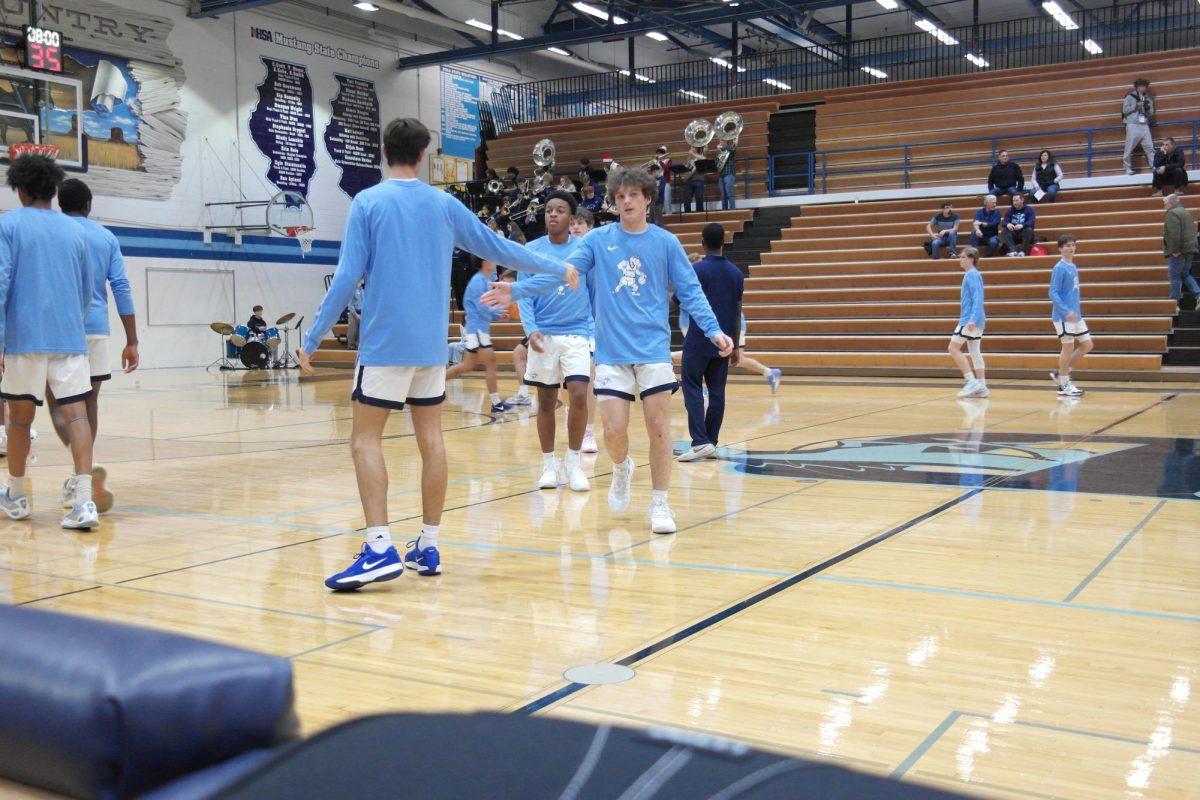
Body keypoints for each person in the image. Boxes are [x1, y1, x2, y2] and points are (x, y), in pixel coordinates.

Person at [296, 117, 576, 590]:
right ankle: (427, 543)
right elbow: (502, 247)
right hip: (430, 346)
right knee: (431, 440)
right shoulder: (444, 204)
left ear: (384, 150)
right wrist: (557, 265)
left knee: (365, 441)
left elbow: (347, 277)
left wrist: (311, 337)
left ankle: (380, 547)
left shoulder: (368, 202)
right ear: (424, 156)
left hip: (385, 345)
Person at [485, 167, 733, 535]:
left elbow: (691, 291)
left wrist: (713, 330)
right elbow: (562, 272)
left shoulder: (665, 243)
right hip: (612, 352)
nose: (626, 201)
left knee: (658, 426)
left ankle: (660, 503)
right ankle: (621, 468)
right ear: (613, 202)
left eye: (633, 195)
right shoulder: (598, 240)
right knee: (614, 432)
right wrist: (516, 292)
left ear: (648, 198)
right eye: (619, 197)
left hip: (652, 350)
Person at [0, 153, 99, 529]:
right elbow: (87, 290)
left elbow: (0, 284)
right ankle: (84, 503)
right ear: (54, 190)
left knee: (20, 422)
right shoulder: (77, 230)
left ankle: (17, 494)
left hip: (24, 339)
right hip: (69, 337)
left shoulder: (7, 225)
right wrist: (72, 323)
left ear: (21, 190)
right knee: (77, 415)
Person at [44, 178, 139, 515]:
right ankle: (81, 473)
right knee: (88, 402)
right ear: (88, 206)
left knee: (59, 404)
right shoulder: (105, 236)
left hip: (59, 327)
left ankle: (84, 468)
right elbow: (121, 287)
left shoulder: (52, 231)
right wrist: (132, 339)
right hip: (98, 328)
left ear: (59, 204)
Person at [514, 190, 593, 492]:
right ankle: (549, 465)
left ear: (571, 219)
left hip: (577, 332)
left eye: (560, 210)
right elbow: (523, 293)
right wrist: (530, 329)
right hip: (543, 334)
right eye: (549, 210)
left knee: (579, 394)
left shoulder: (585, 250)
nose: (553, 215)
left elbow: (594, 290)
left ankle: (573, 464)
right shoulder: (531, 251)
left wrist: (594, 329)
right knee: (546, 401)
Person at [677, 223, 743, 462]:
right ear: (723, 243)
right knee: (717, 393)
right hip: (724, 343)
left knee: (692, 387)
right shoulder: (736, 273)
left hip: (697, 340)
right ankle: (711, 441)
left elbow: (677, 299)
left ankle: (700, 441)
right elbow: (737, 311)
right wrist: (735, 345)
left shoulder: (697, 270)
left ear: (702, 243)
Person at [447, 256, 510, 412]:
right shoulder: (477, 282)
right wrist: (498, 310)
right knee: (491, 363)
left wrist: (497, 315)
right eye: (492, 259)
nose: (495, 262)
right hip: (476, 330)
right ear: (485, 262)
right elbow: (481, 308)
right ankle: (496, 404)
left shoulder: (484, 280)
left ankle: (431, 386)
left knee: (466, 366)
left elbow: (484, 307)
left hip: (478, 329)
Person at [568, 207, 600, 453]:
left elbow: (595, 294)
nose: (576, 227)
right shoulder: (563, 253)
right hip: (560, 325)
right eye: (573, 223)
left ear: (590, 226)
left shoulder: (594, 254)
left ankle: (588, 430)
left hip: (588, 326)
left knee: (588, 379)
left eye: (581, 223)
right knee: (570, 383)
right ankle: (576, 412)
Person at [1048, 234, 1093, 397]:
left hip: (1076, 315)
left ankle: (1061, 373)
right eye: (1067, 245)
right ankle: (1064, 385)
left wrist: (1075, 312)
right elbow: (1052, 292)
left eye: (1073, 245)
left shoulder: (1073, 267)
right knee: (1068, 347)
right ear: (1060, 249)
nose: (1071, 248)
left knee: (1087, 345)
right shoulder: (1059, 268)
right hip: (1063, 316)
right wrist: (1066, 311)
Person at [947, 246, 987, 399]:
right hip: (976, 320)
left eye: (963, 257)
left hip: (969, 319)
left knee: (953, 348)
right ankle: (982, 386)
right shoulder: (972, 275)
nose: (960, 259)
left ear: (971, 258)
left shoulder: (972, 275)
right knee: (975, 351)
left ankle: (971, 381)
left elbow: (978, 298)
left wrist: (972, 319)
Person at [1163, 193, 1200, 312]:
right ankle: (1198, 294)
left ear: (1171, 203)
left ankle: (1174, 303)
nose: (1164, 206)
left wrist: (1174, 250)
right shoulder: (1186, 212)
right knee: (1185, 274)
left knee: (1174, 276)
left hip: (1179, 251)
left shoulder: (1172, 213)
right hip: (1190, 249)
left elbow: (1174, 233)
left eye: (1165, 203)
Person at [1121, 78, 1155, 175]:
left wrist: (1148, 109)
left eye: (1144, 86)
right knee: (1129, 146)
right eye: (1141, 86)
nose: (1143, 88)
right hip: (1133, 124)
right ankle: (1127, 168)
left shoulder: (1148, 97)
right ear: (1137, 87)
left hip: (1144, 124)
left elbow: (1151, 112)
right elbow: (1125, 111)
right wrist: (1135, 106)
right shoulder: (1129, 97)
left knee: (1149, 146)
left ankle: (1153, 166)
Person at [683, 144, 706, 213]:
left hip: (698, 179)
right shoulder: (689, 156)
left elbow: (704, 159)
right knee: (687, 199)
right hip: (689, 180)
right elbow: (687, 166)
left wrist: (693, 153)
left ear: (696, 149)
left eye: (693, 147)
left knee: (699, 198)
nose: (691, 148)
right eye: (691, 147)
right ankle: (687, 215)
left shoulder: (699, 155)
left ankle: (699, 214)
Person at [717, 139, 737, 210]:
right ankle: (724, 212)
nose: (720, 142)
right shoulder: (719, 151)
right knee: (723, 195)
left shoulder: (729, 148)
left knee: (729, 193)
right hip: (721, 175)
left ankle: (732, 211)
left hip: (729, 174)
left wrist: (722, 148)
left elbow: (733, 148)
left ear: (726, 142)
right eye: (720, 141)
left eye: (722, 141)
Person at [346, 279, 364, 349]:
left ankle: (357, 345)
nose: (364, 280)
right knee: (352, 330)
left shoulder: (362, 290)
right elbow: (350, 304)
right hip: (354, 313)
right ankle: (351, 346)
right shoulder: (352, 290)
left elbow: (364, 303)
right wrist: (355, 314)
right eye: (362, 278)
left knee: (359, 331)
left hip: (361, 312)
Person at [654, 145, 672, 211]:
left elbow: (666, 169)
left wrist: (660, 161)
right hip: (657, 183)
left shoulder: (668, 160)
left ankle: (669, 215)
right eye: (658, 153)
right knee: (658, 201)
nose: (659, 154)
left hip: (666, 182)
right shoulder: (655, 161)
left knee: (666, 200)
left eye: (661, 153)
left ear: (664, 154)